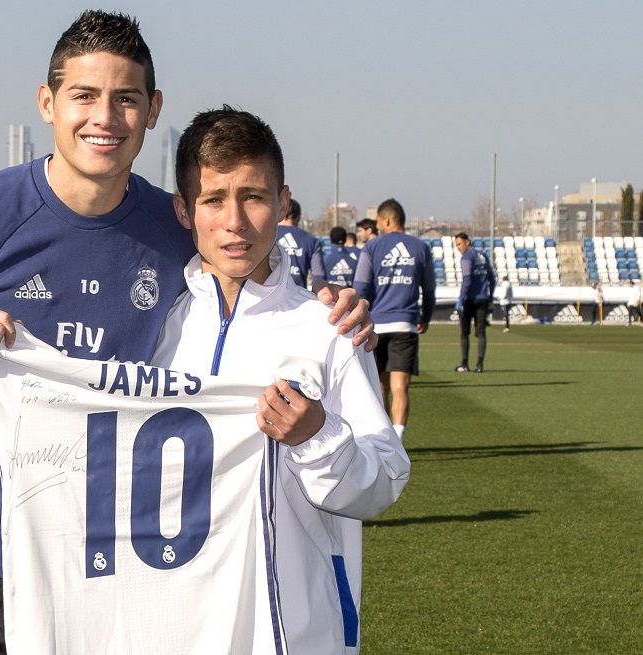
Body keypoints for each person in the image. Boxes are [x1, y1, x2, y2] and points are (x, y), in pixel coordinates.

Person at [0, 10, 374, 653]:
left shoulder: (172, 231)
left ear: (153, 109)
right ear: (47, 102)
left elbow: (250, 264)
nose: (104, 118)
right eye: (83, 95)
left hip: (101, 572)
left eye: (125, 98)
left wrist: (327, 308)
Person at [152, 106, 409, 652]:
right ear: (184, 209)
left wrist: (317, 438)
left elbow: (386, 479)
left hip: (294, 632)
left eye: (253, 196)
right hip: (176, 627)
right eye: (213, 199)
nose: (235, 221)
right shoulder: (158, 329)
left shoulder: (330, 327)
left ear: (283, 202)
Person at [354, 199, 436, 441]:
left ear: (387, 220)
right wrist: (426, 317)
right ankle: (397, 439)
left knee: (378, 387)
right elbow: (429, 290)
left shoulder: (372, 247)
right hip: (405, 325)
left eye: (378, 221)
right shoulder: (420, 248)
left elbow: (360, 287)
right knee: (401, 387)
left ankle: (380, 438)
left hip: (375, 326)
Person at [453, 232, 496, 372]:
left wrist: (461, 299)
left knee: (464, 332)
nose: (458, 248)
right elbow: (492, 278)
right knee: (481, 332)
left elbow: (467, 279)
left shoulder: (467, 257)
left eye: (459, 244)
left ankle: (465, 364)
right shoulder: (483, 255)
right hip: (483, 299)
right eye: (456, 245)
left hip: (470, 300)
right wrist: (490, 296)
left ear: (467, 242)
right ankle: (479, 365)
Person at [277, 198, 326, 289]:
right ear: (299, 216)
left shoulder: (268, 236)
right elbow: (319, 277)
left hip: (268, 297)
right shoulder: (312, 241)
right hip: (298, 297)